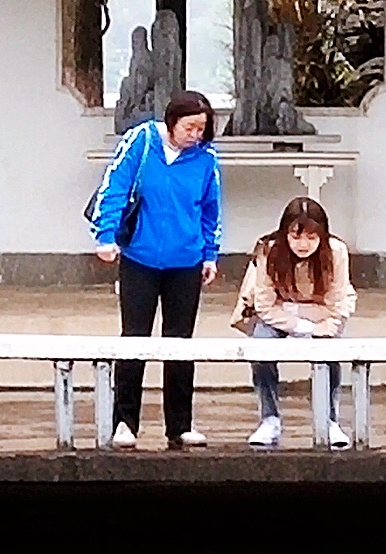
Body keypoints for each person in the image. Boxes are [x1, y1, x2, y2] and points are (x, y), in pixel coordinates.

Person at [92, 91, 222, 449]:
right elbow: (115, 186)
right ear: (171, 122)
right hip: (140, 258)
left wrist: (210, 255)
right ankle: (124, 421)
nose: (195, 135)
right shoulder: (142, 141)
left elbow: (211, 211)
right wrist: (106, 235)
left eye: (202, 129)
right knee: (134, 338)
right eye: (190, 127)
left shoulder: (206, 159)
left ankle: (180, 424)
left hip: (186, 261)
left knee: (180, 342)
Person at [231, 196, 357, 448]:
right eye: (296, 236)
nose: (303, 244)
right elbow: (265, 305)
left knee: (330, 349)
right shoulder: (269, 250)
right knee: (262, 344)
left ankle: (330, 420)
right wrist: (302, 323)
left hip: (320, 313)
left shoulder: (336, 252)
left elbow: (336, 304)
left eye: (311, 237)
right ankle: (269, 418)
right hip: (280, 313)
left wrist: (311, 319)